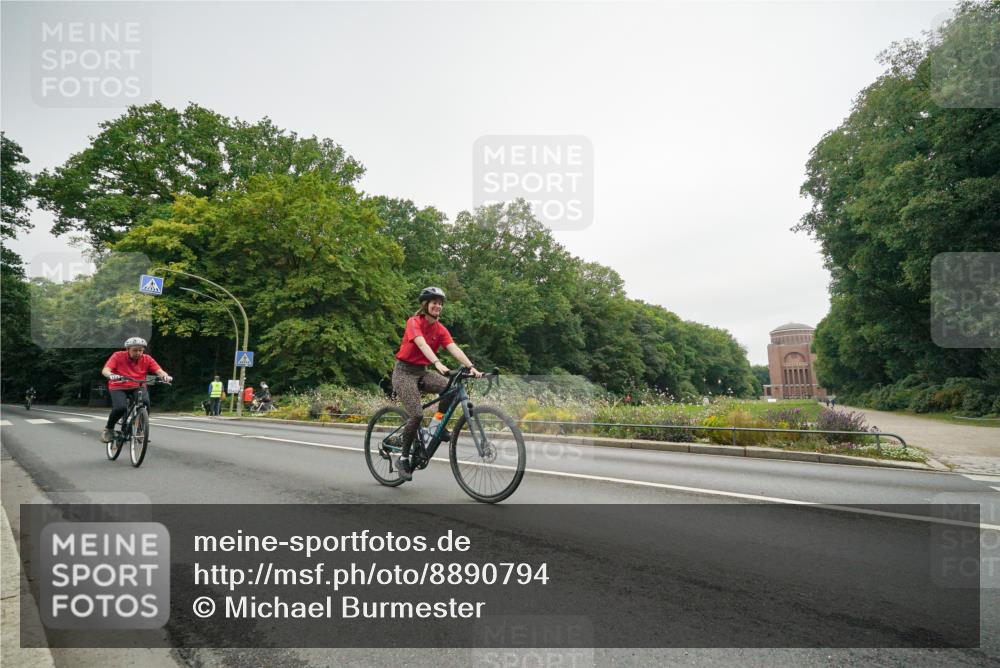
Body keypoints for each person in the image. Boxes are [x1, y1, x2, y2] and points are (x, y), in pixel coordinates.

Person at [392, 287, 481, 481]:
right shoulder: (414, 322)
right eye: (434, 302)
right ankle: (403, 458)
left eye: (440, 303)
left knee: (450, 389)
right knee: (416, 414)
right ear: (425, 304)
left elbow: (453, 348)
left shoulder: (440, 329)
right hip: (404, 372)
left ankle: (436, 426)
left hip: (421, 372)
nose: (438, 305)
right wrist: (437, 363)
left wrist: (471, 367)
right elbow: (421, 343)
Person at [101, 337, 172, 443]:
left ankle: (140, 430)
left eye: (141, 350)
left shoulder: (147, 358)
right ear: (127, 349)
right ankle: (109, 429)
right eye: (135, 350)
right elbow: (105, 370)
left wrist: (165, 376)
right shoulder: (118, 356)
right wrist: (111, 375)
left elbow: (159, 371)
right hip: (118, 385)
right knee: (120, 408)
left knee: (145, 403)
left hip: (138, 385)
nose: (138, 352)